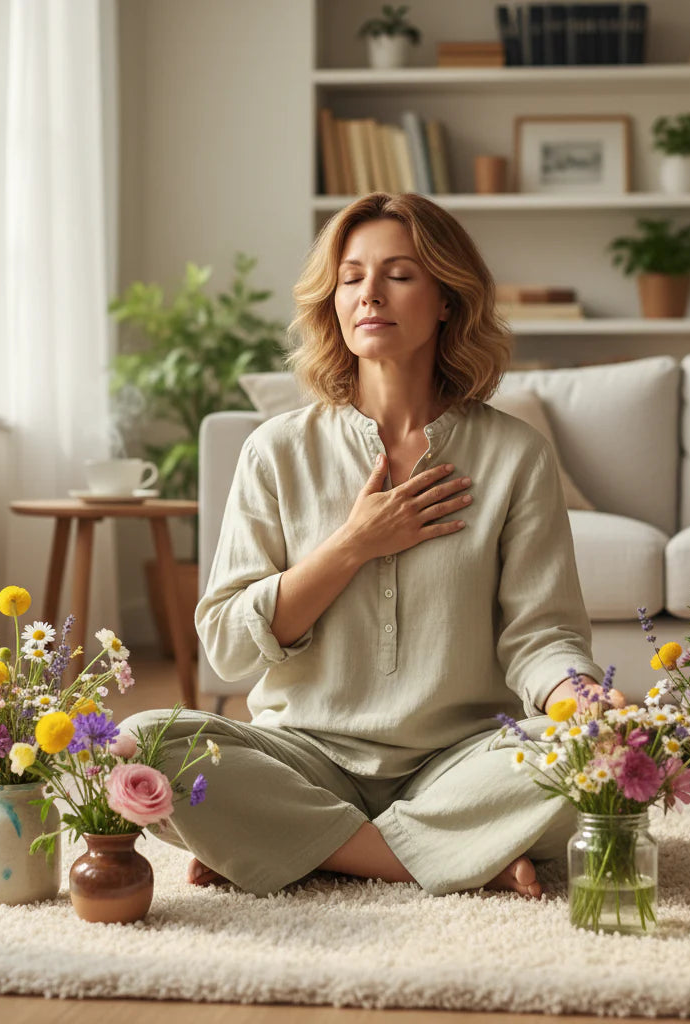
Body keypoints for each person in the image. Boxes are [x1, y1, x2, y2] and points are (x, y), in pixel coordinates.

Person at [121, 192, 610, 900]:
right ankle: (457, 854)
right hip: (303, 756)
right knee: (141, 747)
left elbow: (542, 634)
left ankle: (297, 848)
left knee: (596, 751)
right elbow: (225, 648)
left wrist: (582, 696)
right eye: (351, 277)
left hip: (461, 759)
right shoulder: (276, 451)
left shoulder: (515, 455)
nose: (369, 295)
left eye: (400, 275)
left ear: (447, 298)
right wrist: (351, 545)